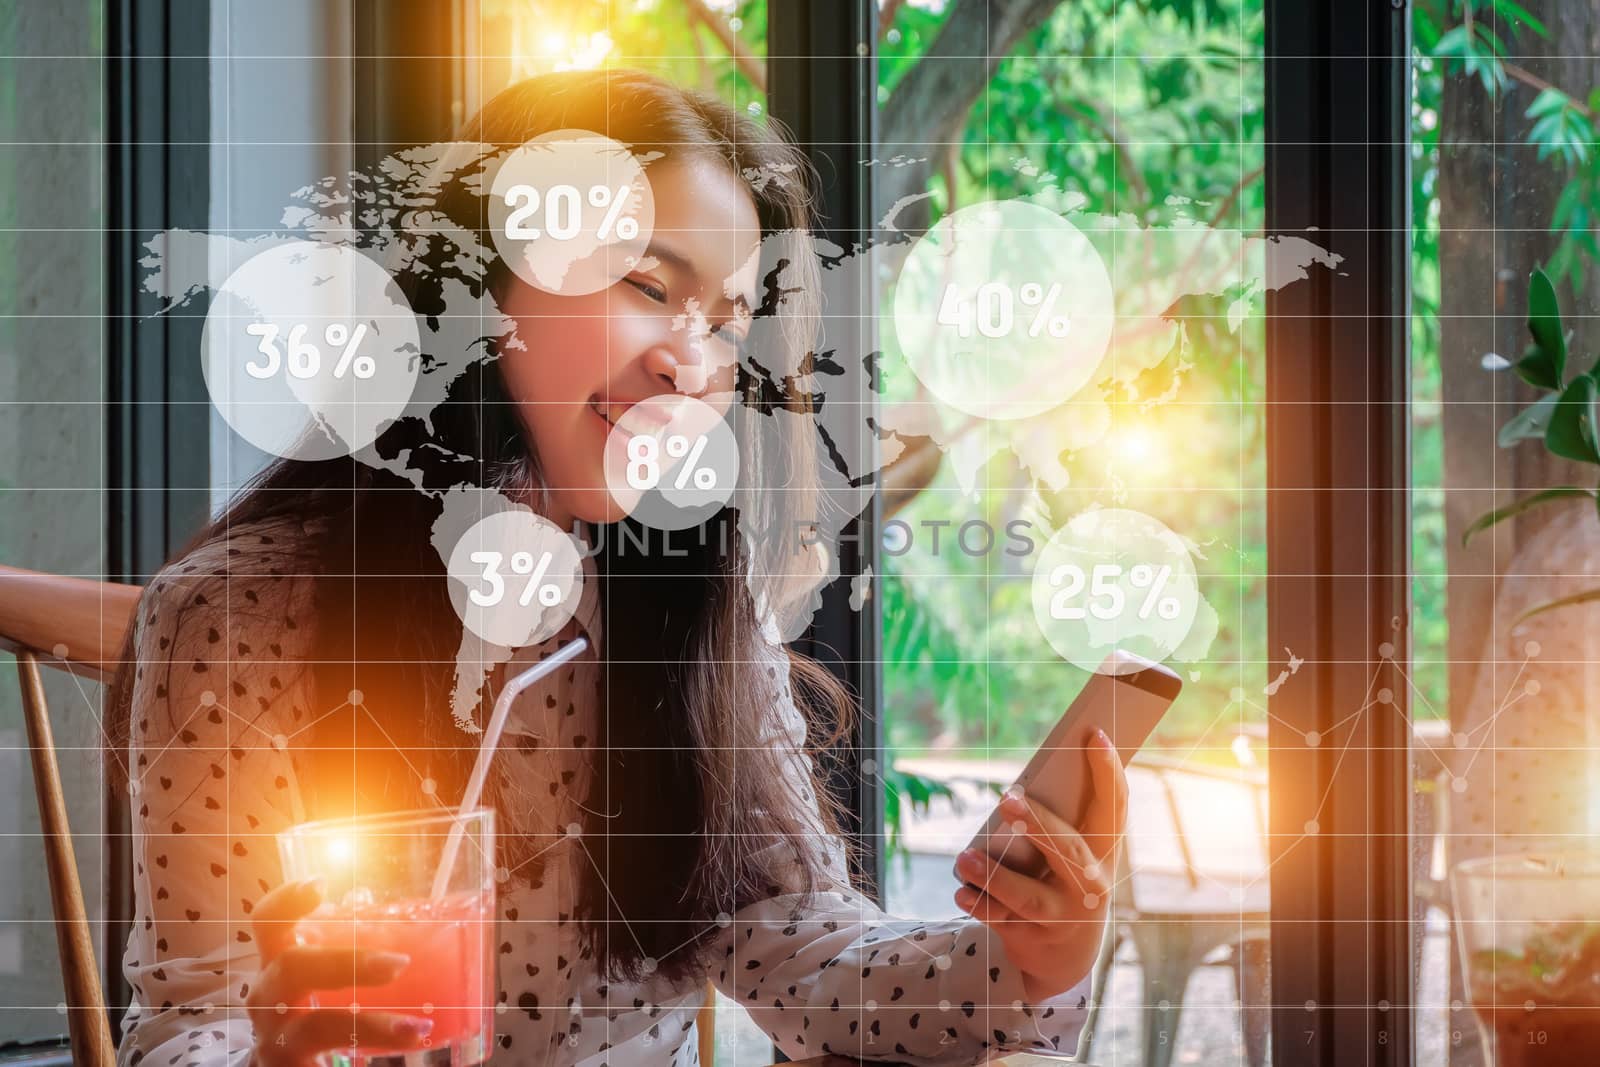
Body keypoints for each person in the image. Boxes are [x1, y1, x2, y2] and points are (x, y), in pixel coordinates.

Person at [109, 69, 1127, 1067]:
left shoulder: (685, 607)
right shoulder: (234, 619)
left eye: (728, 324)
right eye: (647, 284)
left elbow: (814, 949)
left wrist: (1022, 961)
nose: (692, 363)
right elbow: (189, 1017)